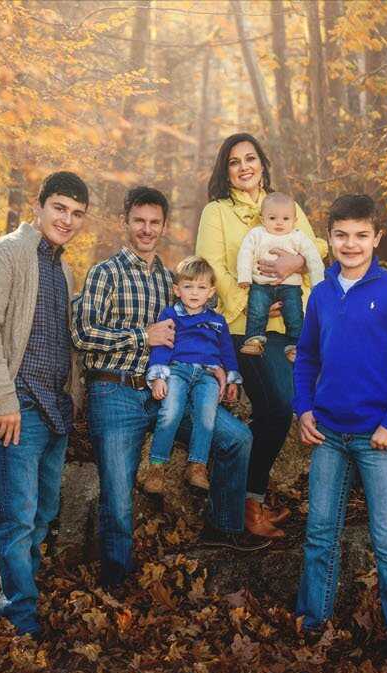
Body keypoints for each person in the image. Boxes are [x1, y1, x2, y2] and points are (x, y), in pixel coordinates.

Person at [72, 186, 267, 591]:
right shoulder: (105, 273)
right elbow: (83, 334)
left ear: (163, 226)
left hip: (171, 388)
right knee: (118, 495)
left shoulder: (172, 279)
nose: (146, 229)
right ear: (125, 222)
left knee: (237, 438)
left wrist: (215, 366)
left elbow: (200, 327)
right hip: (117, 391)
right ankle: (117, 583)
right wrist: (143, 336)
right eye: (139, 221)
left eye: (154, 222)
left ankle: (222, 529)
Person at [292, 194, 387, 658]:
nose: (350, 244)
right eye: (341, 235)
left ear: (377, 238)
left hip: (379, 438)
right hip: (328, 434)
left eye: (360, 235)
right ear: (329, 238)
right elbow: (307, 357)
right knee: (320, 532)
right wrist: (303, 408)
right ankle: (313, 621)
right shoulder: (322, 294)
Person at [0, 171, 88, 639]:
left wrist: (73, 399)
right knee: (17, 517)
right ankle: (20, 619)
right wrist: (3, 400)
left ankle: (21, 593)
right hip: (16, 407)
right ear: (39, 207)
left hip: (54, 408)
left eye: (76, 214)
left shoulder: (63, 269)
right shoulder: (5, 254)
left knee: (42, 514)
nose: (67, 219)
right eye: (59, 208)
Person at [194, 132, 327, 538]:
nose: (244, 167)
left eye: (250, 158)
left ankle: (245, 502)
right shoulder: (216, 212)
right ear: (226, 171)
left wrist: (298, 269)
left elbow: (315, 249)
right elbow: (212, 267)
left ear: (262, 163)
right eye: (234, 162)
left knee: (281, 408)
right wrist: (253, 302)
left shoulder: (285, 205)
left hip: (288, 325)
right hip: (243, 328)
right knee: (280, 405)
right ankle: (244, 504)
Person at [146, 257, 241, 490]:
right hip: (177, 370)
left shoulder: (217, 321)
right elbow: (162, 345)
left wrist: (232, 379)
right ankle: (157, 466)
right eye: (188, 286)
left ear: (211, 292)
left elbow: (227, 352)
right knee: (171, 411)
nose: (195, 293)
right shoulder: (170, 315)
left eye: (201, 287)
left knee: (206, 415)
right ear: (177, 290)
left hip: (208, 375)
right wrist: (158, 376)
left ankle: (197, 466)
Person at [234, 192, 324, 361]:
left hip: (290, 287)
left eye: (285, 218)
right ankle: (254, 339)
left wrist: (317, 283)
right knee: (257, 310)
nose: (279, 223)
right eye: (272, 218)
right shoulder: (256, 234)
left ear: (294, 220)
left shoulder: (298, 236)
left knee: (294, 315)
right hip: (261, 285)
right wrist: (244, 276)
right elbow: (245, 253)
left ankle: (296, 345)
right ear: (263, 219)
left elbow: (313, 257)